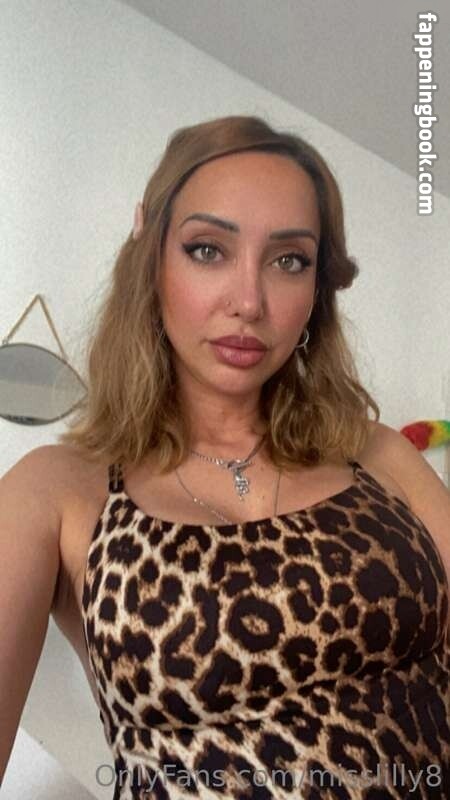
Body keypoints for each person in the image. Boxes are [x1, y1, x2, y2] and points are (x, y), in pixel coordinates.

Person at [1, 115, 449, 799]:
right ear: (152, 258)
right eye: (208, 249)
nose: (249, 301)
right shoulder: (56, 492)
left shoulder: (377, 455)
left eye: (289, 260)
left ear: (317, 290)